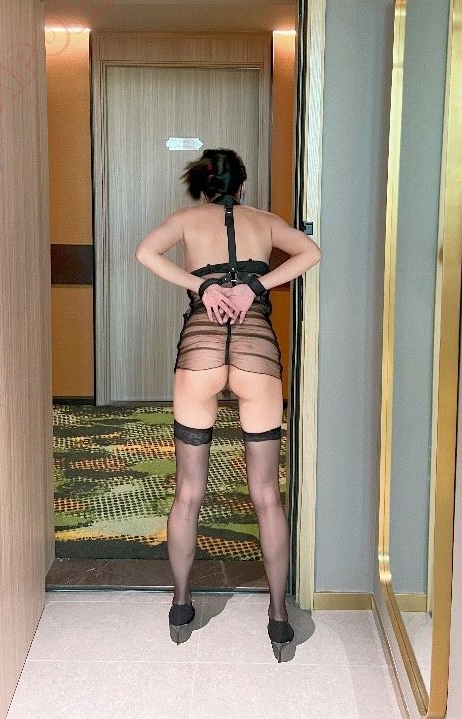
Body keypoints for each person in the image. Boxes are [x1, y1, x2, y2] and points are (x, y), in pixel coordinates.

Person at [134, 147, 322, 660]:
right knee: (266, 494)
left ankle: (181, 605)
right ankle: (278, 617)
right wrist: (254, 285)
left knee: (188, 492)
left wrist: (202, 285)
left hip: (200, 349)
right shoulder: (266, 221)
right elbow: (310, 252)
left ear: (202, 185)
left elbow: (145, 253)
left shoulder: (186, 219)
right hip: (256, 353)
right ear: (242, 185)